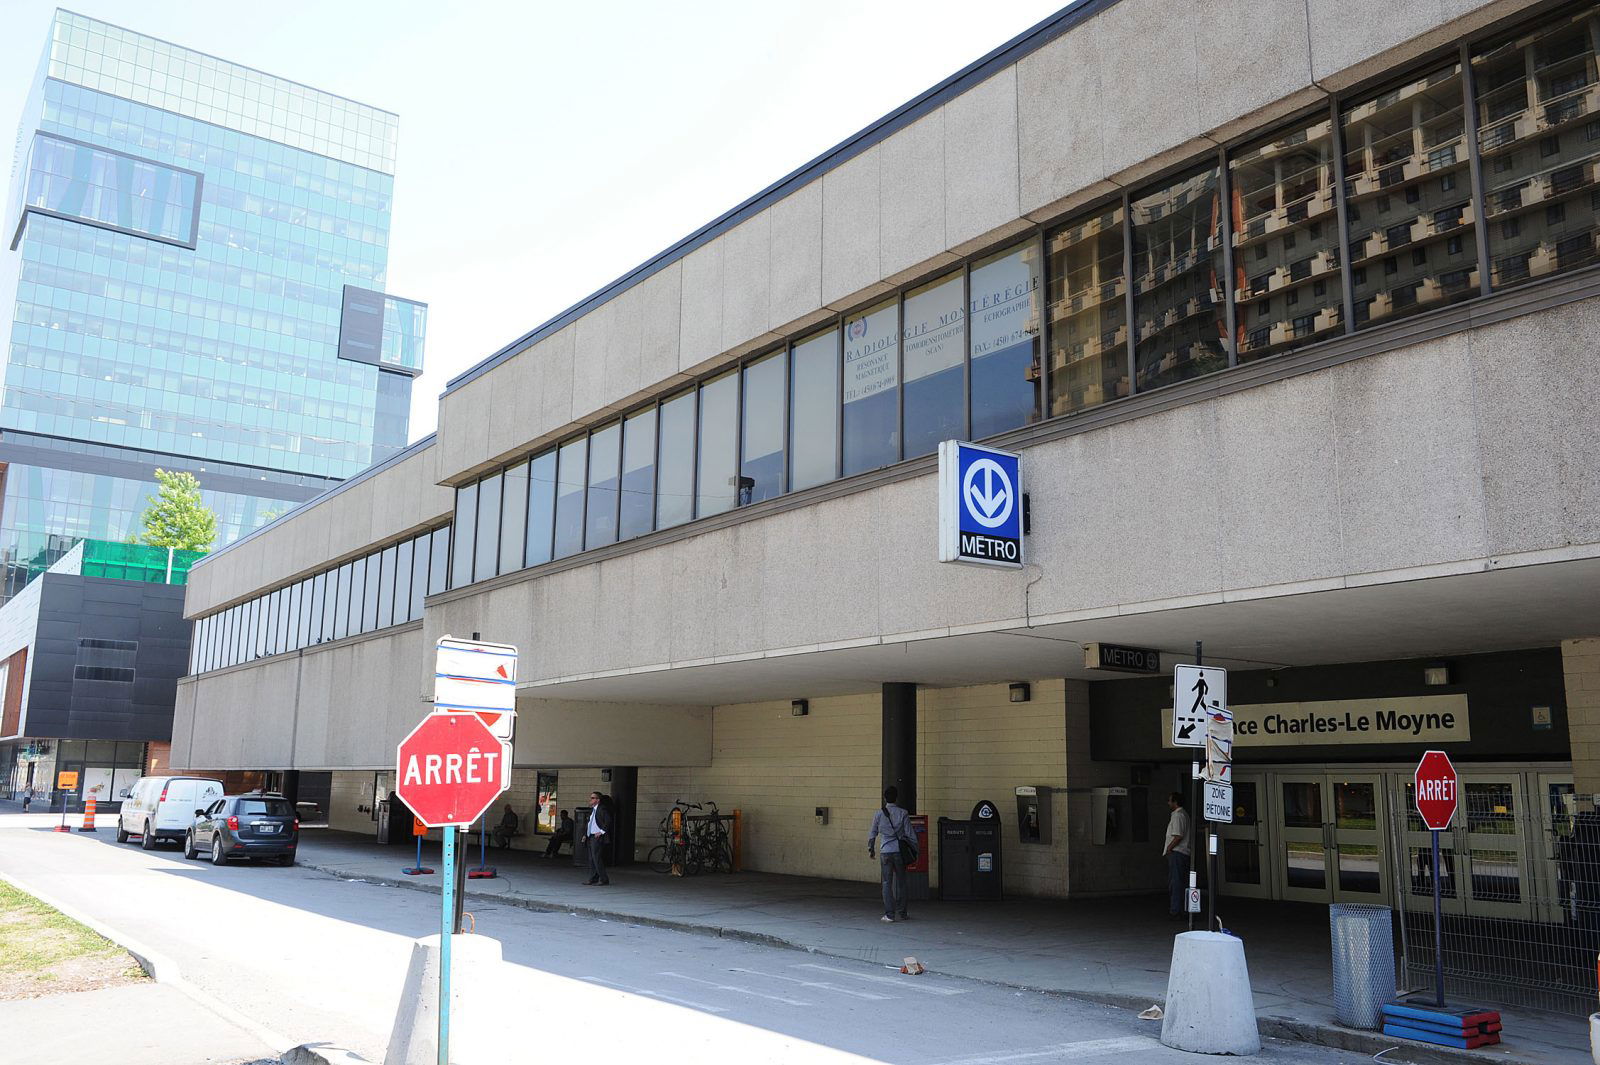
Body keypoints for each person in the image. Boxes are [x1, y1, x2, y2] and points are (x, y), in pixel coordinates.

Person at [867, 785, 913, 923]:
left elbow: (872, 833)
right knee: (901, 882)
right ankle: (903, 912)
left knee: (887, 882)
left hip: (885, 851)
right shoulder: (903, 813)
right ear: (896, 798)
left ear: (884, 798)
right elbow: (910, 834)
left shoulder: (878, 814)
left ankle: (889, 914)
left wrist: (871, 849)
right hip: (899, 851)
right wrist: (915, 850)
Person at [1164, 791, 1192, 920]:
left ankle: (1176, 910)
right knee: (1180, 882)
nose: (1168, 803)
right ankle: (1182, 909)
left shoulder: (1178, 815)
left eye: (1170, 800)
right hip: (1181, 853)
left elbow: (1178, 835)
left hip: (1178, 852)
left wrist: (1169, 848)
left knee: (1176, 883)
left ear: (1175, 802)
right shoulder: (1183, 814)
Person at [583, 792, 610, 885]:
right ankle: (593, 878)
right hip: (590, 836)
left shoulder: (602, 809)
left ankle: (604, 879)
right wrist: (585, 834)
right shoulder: (593, 810)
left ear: (598, 800)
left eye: (593, 798)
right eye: (591, 797)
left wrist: (601, 832)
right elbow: (589, 823)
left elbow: (608, 821)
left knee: (596, 858)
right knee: (591, 859)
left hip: (597, 837)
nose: (590, 799)